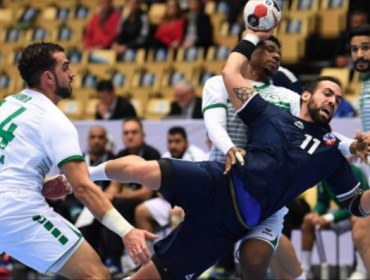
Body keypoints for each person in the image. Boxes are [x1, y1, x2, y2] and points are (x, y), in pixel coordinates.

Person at [86, 28, 370, 278]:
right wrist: (251, 33)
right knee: (143, 170)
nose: (333, 101)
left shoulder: (319, 138)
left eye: (338, 99)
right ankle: (83, 174)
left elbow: (356, 203)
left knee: (251, 261)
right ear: (307, 96)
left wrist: (352, 145)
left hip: (255, 212)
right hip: (218, 176)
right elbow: (226, 82)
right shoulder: (267, 111)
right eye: (327, 94)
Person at [0, 42, 155, 279]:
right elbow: (82, 187)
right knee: (97, 276)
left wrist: (35, 184)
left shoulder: (7, 104)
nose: (72, 73)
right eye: (65, 67)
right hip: (18, 211)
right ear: (48, 77)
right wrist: (127, 231)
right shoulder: (54, 119)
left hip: (11, 205)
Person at [202, 35, 305, 279]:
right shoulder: (218, 83)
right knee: (186, 259)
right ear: (250, 52)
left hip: (264, 192)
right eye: (269, 49)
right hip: (220, 184)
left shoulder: (288, 97)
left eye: (278, 52)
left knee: (254, 261)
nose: (277, 56)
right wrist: (230, 149)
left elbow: (301, 140)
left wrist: (349, 146)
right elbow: (213, 126)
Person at [135, 126, 207, 239]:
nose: (173, 145)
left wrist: (180, 204)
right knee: (141, 212)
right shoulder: (165, 156)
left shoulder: (198, 156)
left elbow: (203, 189)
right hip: (169, 200)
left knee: (176, 214)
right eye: (170, 141)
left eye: (177, 141)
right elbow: (158, 188)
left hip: (194, 203)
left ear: (186, 142)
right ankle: (149, 254)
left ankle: (177, 254)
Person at [300, 163, 369, 279]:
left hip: (352, 216)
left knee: (357, 219)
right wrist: (316, 214)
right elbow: (322, 201)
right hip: (336, 215)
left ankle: (361, 271)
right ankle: (305, 270)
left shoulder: (356, 171)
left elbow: (360, 208)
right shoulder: (324, 172)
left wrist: (329, 218)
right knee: (308, 221)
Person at [346, 23, 370, 278]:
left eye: (366, 47)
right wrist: (355, 149)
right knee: (362, 233)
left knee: (362, 231)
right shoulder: (365, 87)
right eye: (355, 49)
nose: (360, 55)